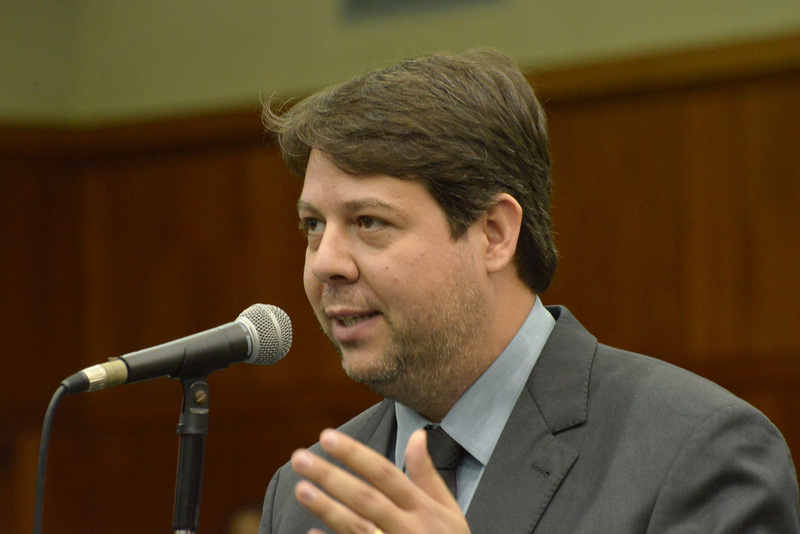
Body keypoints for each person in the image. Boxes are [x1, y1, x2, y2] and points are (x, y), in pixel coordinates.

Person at [258, 49, 800, 533]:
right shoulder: (304, 494)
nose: (325, 262)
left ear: (494, 234)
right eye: (313, 225)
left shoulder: (697, 453)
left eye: (369, 222)